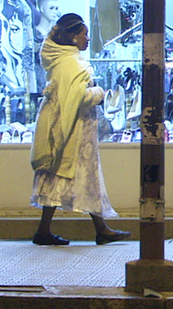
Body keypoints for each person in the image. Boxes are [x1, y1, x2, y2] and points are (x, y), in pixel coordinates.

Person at [29, 13, 130, 246]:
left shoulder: (63, 60)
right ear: (73, 37)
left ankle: (95, 229)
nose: (87, 39)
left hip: (72, 126)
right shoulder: (71, 63)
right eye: (84, 34)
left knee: (70, 175)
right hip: (73, 130)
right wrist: (98, 93)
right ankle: (96, 230)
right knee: (74, 173)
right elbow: (74, 96)